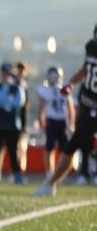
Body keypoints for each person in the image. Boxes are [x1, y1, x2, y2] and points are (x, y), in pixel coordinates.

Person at [35, 25, 97, 195]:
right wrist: (71, 83)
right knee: (79, 144)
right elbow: (86, 69)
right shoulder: (91, 47)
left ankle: (50, 184)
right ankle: (56, 181)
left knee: (72, 145)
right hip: (86, 103)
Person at [0, 62, 25, 185]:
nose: (6, 76)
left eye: (9, 74)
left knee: (13, 151)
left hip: (12, 124)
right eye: (5, 73)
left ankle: (17, 175)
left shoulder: (17, 88)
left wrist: (6, 101)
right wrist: (6, 96)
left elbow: (19, 103)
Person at [36, 66, 73, 178]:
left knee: (66, 149)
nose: (54, 78)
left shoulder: (65, 89)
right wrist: (41, 122)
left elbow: (70, 107)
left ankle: (61, 172)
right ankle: (49, 172)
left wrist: (71, 123)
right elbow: (41, 108)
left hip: (63, 121)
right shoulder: (44, 89)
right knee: (49, 147)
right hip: (51, 120)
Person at [15, 61, 31, 172]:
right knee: (15, 146)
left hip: (23, 119)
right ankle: (15, 171)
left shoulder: (25, 85)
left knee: (23, 146)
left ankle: (21, 170)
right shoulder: (13, 85)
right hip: (13, 119)